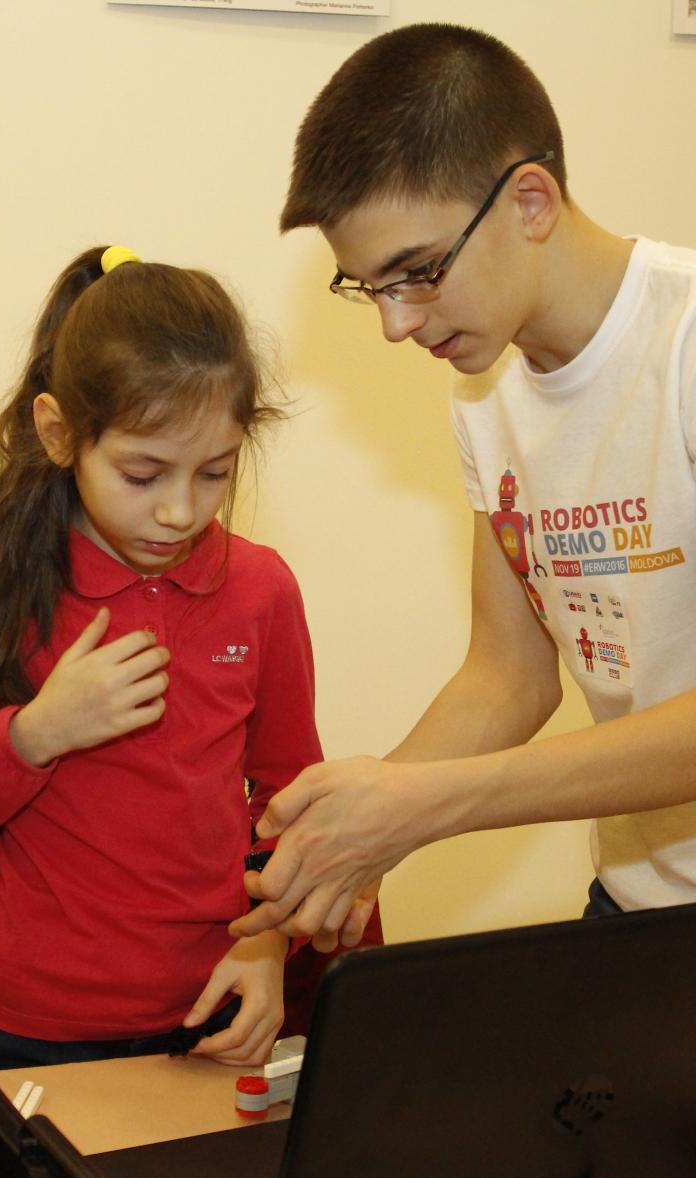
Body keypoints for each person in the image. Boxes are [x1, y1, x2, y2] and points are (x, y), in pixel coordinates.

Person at [230, 22, 696, 947]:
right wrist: (352, 840)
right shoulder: (486, 394)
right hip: (642, 907)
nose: (397, 325)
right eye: (370, 288)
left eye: (418, 273)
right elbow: (508, 676)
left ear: (531, 201)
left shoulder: (683, 346)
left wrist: (431, 803)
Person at [0, 244, 372, 1071]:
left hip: (208, 1009)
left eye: (214, 473)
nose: (178, 511)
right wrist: (33, 736)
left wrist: (267, 946)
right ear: (60, 434)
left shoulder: (259, 590)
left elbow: (289, 804)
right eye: (142, 474)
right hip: (18, 1021)